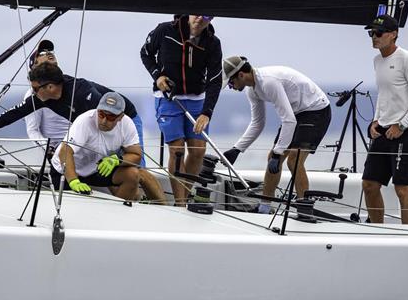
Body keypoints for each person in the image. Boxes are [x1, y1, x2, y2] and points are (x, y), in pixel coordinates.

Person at [0, 63, 166, 204]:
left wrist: (117, 157)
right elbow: (17, 111)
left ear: (50, 86)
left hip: (120, 118)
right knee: (102, 162)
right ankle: (123, 203)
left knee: (135, 170)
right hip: (101, 123)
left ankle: (160, 207)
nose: (33, 93)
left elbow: (106, 117)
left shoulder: (84, 94)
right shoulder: (43, 98)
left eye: (36, 88)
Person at [220, 56, 332, 213]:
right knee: (272, 157)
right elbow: (258, 123)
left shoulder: (268, 82)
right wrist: (237, 149)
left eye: (231, 83)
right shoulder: (252, 91)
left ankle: (305, 209)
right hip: (296, 113)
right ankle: (264, 208)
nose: (231, 87)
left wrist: (278, 153)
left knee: (293, 160)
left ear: (241, 75)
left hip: (316, 109)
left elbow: (289, 120)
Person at [141, 14, 223, 205]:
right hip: (169, 98)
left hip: (197, 100)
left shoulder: (212, 42)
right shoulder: (165, 30)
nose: (200, 20)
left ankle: (185, 197)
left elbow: (215, 80)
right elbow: (145, 53)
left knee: (198, 150)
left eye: (206, 17)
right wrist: (157, 76)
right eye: (197, 14)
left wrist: (207, 112)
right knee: (177, 150)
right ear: (188, 14)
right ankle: (180, 204)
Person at [363, 14, 408, 225]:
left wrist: (401, 125)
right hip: (382, 129)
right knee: (369, 185)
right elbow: (383, 94)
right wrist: (375, 120)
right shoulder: (377, 60)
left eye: (379, 33)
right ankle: (377, 231)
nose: (374, 37)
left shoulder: (407, 59)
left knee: (402, 189)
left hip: (405, 132)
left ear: (393, 35)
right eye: (372, 33)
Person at [51, 92, 141, 200]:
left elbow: (136, 155)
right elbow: (65, 151)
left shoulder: (127, 124)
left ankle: (117, 211)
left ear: (120, 117)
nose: (104, 121)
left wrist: (117, 160)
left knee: (132, 174)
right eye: (101, 114)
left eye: (110, 117)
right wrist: (73, 181)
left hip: (95, 170)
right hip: (65, 171)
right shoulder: (85, 120)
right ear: (97, 110)